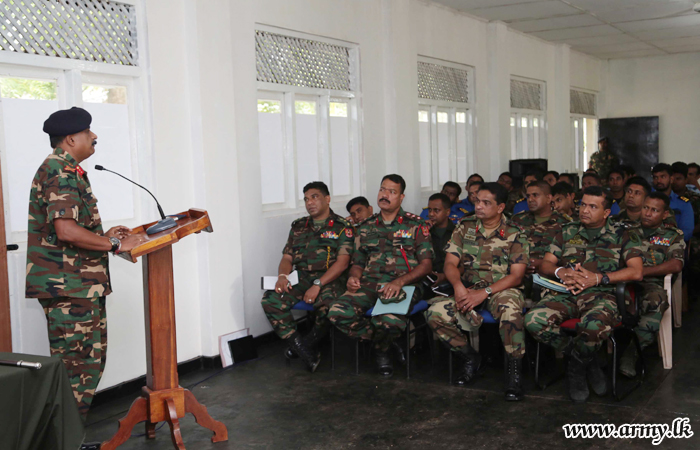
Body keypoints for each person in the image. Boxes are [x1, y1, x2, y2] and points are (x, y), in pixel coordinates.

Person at [26, 107, 144, 425]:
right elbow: (65, 230)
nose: (94, 136)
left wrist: (101, 236)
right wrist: (115, 244)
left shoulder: (68, 169)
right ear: (70, 139)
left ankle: (69, 437)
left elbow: (64, 229)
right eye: (88, 131)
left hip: (80, 285)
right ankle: (63, 440)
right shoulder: (58, 170)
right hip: (70, 289)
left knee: (86, 366)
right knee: (76, 370)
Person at [525, 186, 643, 403]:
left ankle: (576, 368)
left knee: (593, 327)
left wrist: (599, 278)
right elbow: (547, 264)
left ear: (606, 213)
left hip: (603, 295)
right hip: (566, 293)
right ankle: (587, 361)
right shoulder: (566, 230)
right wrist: (561, 271)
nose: (584, 210)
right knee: (533, 321)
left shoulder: (623, 233)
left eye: (592, 206)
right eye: (582, 205)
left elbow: (636, 271)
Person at [426, 183, 529, 401]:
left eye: (486, 202)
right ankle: (471, 358)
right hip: (469, 287)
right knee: (435, 312)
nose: (479, 206)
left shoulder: (515, 232)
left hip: (503, 289)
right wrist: (458, 287)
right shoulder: (464, 226)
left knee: (510, 312)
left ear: (500, 207)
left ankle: (514, 372)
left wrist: (486, 293)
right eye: (477, 201)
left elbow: (517, 276)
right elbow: (450, 264)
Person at [328, 174, 433, 377]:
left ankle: (381, 351)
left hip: (404, 285)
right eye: (382, 189)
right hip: (370, 284)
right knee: (337, 311)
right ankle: (386, 343)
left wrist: (399, 281)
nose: (385, 195)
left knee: (389, 321)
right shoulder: (366, 227)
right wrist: (353, 277)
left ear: (401, 197)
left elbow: (426, 266)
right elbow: (358, 262)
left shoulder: (416, 225)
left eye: (392, 192)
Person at [261, 182, 353, 372]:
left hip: (330, 278)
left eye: (314, 197)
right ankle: (303, 349)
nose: (309, 202)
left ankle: (306, 344)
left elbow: (343, 262)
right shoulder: (298, 226)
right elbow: (287, 257)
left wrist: (318, 284)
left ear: (327, 199)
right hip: (301, 277)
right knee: (271, 300)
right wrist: (282, 276)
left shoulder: (342, 226)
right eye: (306, 199)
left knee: (331, 305)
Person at [618, 193, 685, 378]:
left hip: (651, 282)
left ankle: (632, 352)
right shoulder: (625, 230)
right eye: (646, 207)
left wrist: (641, 272)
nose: (647, 213)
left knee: (657, 301)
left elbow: (676, 264)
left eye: (654, 210)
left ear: (664, 214)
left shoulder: (672, 235)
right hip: (622, 279)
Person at [512, 181, 571, 282]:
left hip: (550, 278)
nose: (530, 200)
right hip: (518, 276)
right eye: (528, 196)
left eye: (535, 195)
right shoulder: (517, 220)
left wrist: (543, 263)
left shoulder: (565, 223)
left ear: (548, 198)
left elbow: (571, 254)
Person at [652, 163, 694, 241]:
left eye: (663, 177)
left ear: (671, 179)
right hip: (648, 244)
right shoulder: (646, 200)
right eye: (655, 177)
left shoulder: (683, 204)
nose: (659, 181)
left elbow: (687, 232)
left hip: (673, 245)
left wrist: (664, 240)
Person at [426, 193, 456, 287]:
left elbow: (465, 266)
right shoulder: (424, 231)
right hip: (428, 281)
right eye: (429, 210)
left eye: (436, 210)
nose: (431, 214)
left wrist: (444, 276)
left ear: (447, 212)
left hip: (453, 280)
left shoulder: (457, 232)